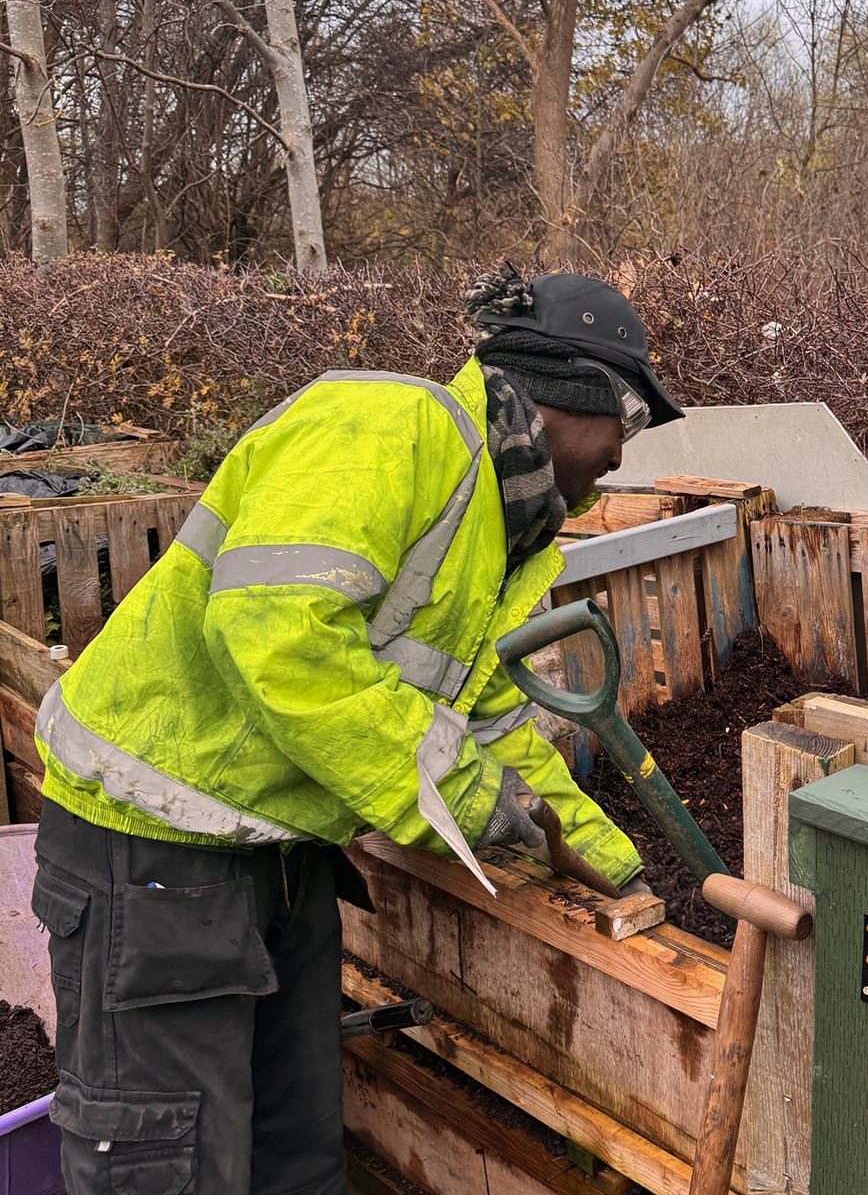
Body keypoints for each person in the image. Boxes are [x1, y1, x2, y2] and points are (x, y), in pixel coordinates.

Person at [28, 269, 683, 1195]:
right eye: (629, 416)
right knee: (168, 1165)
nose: (623, 450)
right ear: (564, 396)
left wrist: (595, 850)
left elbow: (484, 716)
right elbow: (279, 633)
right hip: (151, 854)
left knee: (296, 1157)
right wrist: (467, 800)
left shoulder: (498, 526)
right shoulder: (389, 429)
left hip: (279, 854)